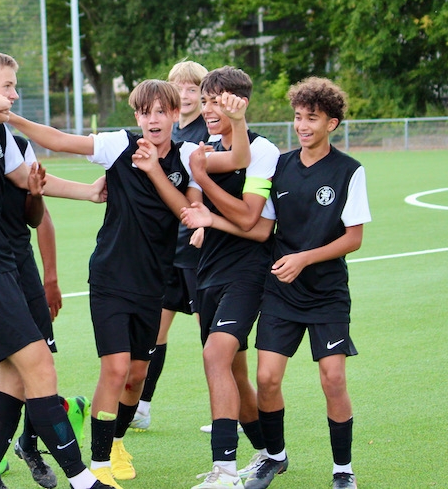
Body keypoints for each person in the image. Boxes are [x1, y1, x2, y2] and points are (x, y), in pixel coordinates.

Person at [9, 80, 249, 488]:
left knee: (137, 374)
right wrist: (12, 117)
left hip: (153, 282)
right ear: (136, 116)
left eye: (161, 111)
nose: (153, 119)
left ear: (175, 114)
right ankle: (99, 464)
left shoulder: (187, 156)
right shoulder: (119, 144)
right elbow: (60, 140)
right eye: (145, 112)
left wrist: (157, 169)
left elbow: (190, 209)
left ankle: (116, 441)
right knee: (116, 367)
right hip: (110, 276)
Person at [0, 49, 110, 489]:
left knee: (11, 378)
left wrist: (89, 191)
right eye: (6, 86)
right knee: (39, 367)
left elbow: (30, 178)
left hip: (3, 264)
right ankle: (82, 479)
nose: (14, 94)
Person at [187, 78, 370, 489]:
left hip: (326, 292)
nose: (302, 125)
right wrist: (209, 219)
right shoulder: (281, 166)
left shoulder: (349, 171)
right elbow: (259, 228)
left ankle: (343, 470)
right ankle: (274, 457)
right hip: (281, 291)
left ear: (332, 124)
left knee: (333, 379)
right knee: (267, 379)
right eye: (298, 117)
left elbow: (354, 238)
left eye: (312, 118)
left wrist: (304, 258)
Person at [181, 67, 280, 489]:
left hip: (248, 271)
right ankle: (271, 453)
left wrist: (204, 188)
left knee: (215, 356)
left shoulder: (264, 150)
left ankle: (223, 469)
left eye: (217, 102)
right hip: (208, 271)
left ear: (240, 103)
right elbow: (198, 203)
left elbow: (253, 223)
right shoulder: (205, 150)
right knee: (235, 372)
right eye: (205, 101)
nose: (207, 109)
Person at [131, 60, 211, 433]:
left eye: (193, 88)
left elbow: (214, 183)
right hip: (167, 253)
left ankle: (229, 413)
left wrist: (204, 223)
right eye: (179, 87)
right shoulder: (162, 128)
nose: (186, 94)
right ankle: (142, 407)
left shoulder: (207, 132)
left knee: (212, 335)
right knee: (154, 332)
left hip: (198, 252)